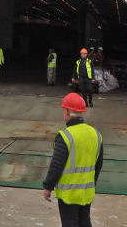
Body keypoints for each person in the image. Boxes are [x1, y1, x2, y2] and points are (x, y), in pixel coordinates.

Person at [42, 92, 104, 227]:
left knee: (70, 223)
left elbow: (56, 165)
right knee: (85, 222)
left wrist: (48, 186)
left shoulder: (65, 136)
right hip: (86, 192)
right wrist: (92, 183)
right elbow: (98, 164)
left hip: (68, 193)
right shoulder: (96, 134)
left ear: (67, 112)